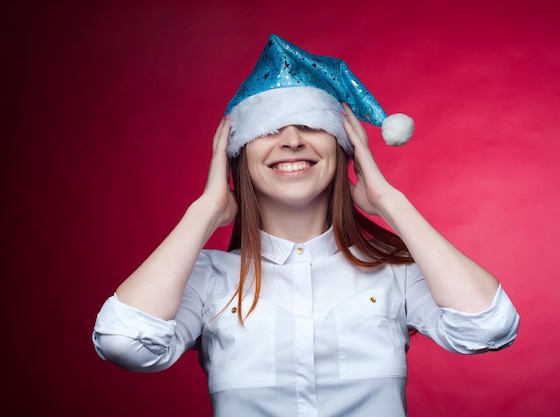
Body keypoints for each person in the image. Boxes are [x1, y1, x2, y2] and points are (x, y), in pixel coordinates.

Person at [93, 34, 520, 417]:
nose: (292, 140)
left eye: (312, 125)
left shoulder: (395, 274)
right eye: (269, 129)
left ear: (342, 147)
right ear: (238, 155)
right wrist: (204, 211)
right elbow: (124, 342)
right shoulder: (207, 280)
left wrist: (391, 203)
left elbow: (488, 327)